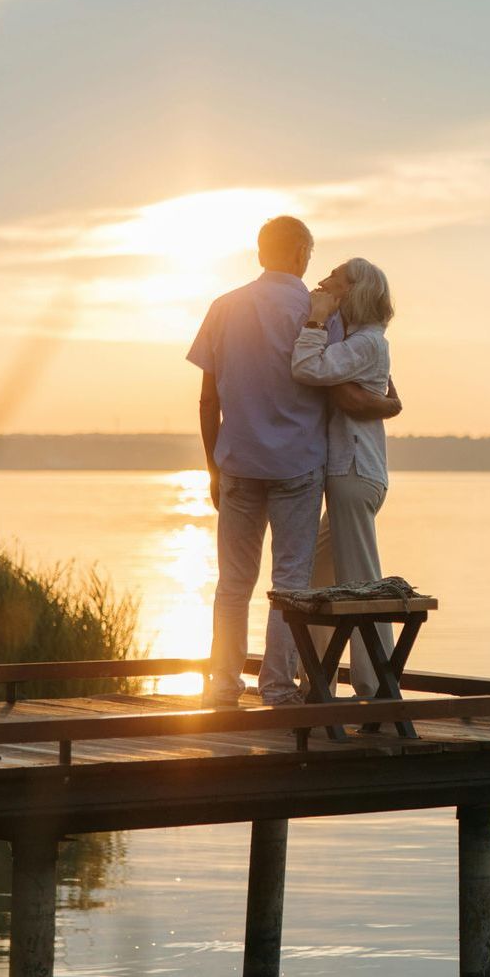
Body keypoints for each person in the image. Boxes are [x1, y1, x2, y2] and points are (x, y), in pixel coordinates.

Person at [187, 218, 397, 707]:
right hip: (298, 467)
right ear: (301, 251)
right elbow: (345, 390)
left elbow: (206, 400)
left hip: (237, 462)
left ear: (262, 253)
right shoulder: (320, 310)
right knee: (291, 585)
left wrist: (213, 469)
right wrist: (388, 404)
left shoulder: (223, 307)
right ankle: (278, 688)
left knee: (233, 583)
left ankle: (223, 685)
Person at [291, 258, 398, 699]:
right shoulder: (361, 342)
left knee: (363, 584)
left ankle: (377, 689)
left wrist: (315, 318)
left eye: (335, 277)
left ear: (353, 290)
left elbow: (307, 369)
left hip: (353, 473)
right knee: (320, 578)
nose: (324, 280)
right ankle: (317, 682)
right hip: (353, 474)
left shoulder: (367, 343)